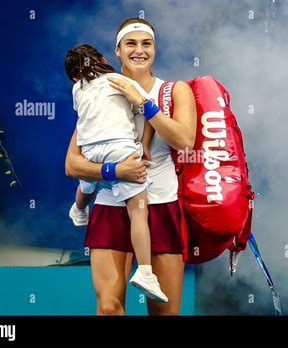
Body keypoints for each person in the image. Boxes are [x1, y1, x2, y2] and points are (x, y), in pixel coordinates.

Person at [65, 17, 197, 315]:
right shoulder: (98, 92)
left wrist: (143, 101)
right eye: (131, 44)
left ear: (155, 49)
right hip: (111, 204)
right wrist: (115, 172)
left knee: (164, 313)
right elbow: (73, 164)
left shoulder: (175, 90)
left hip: (161, 204)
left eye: (146, 43)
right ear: (118, 50)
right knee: (109, 308)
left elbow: (184, 141)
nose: (139, 50)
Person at [64, 44, 168, 303]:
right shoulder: (119, 80)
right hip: (120, 149)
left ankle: (78, 210)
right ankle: (145, 272)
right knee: (138, 213)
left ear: (75, 76)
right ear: (102, 59)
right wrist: (142, 143)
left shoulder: (77, 89)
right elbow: (147, 110)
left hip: (89, 149)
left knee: (87, 181)